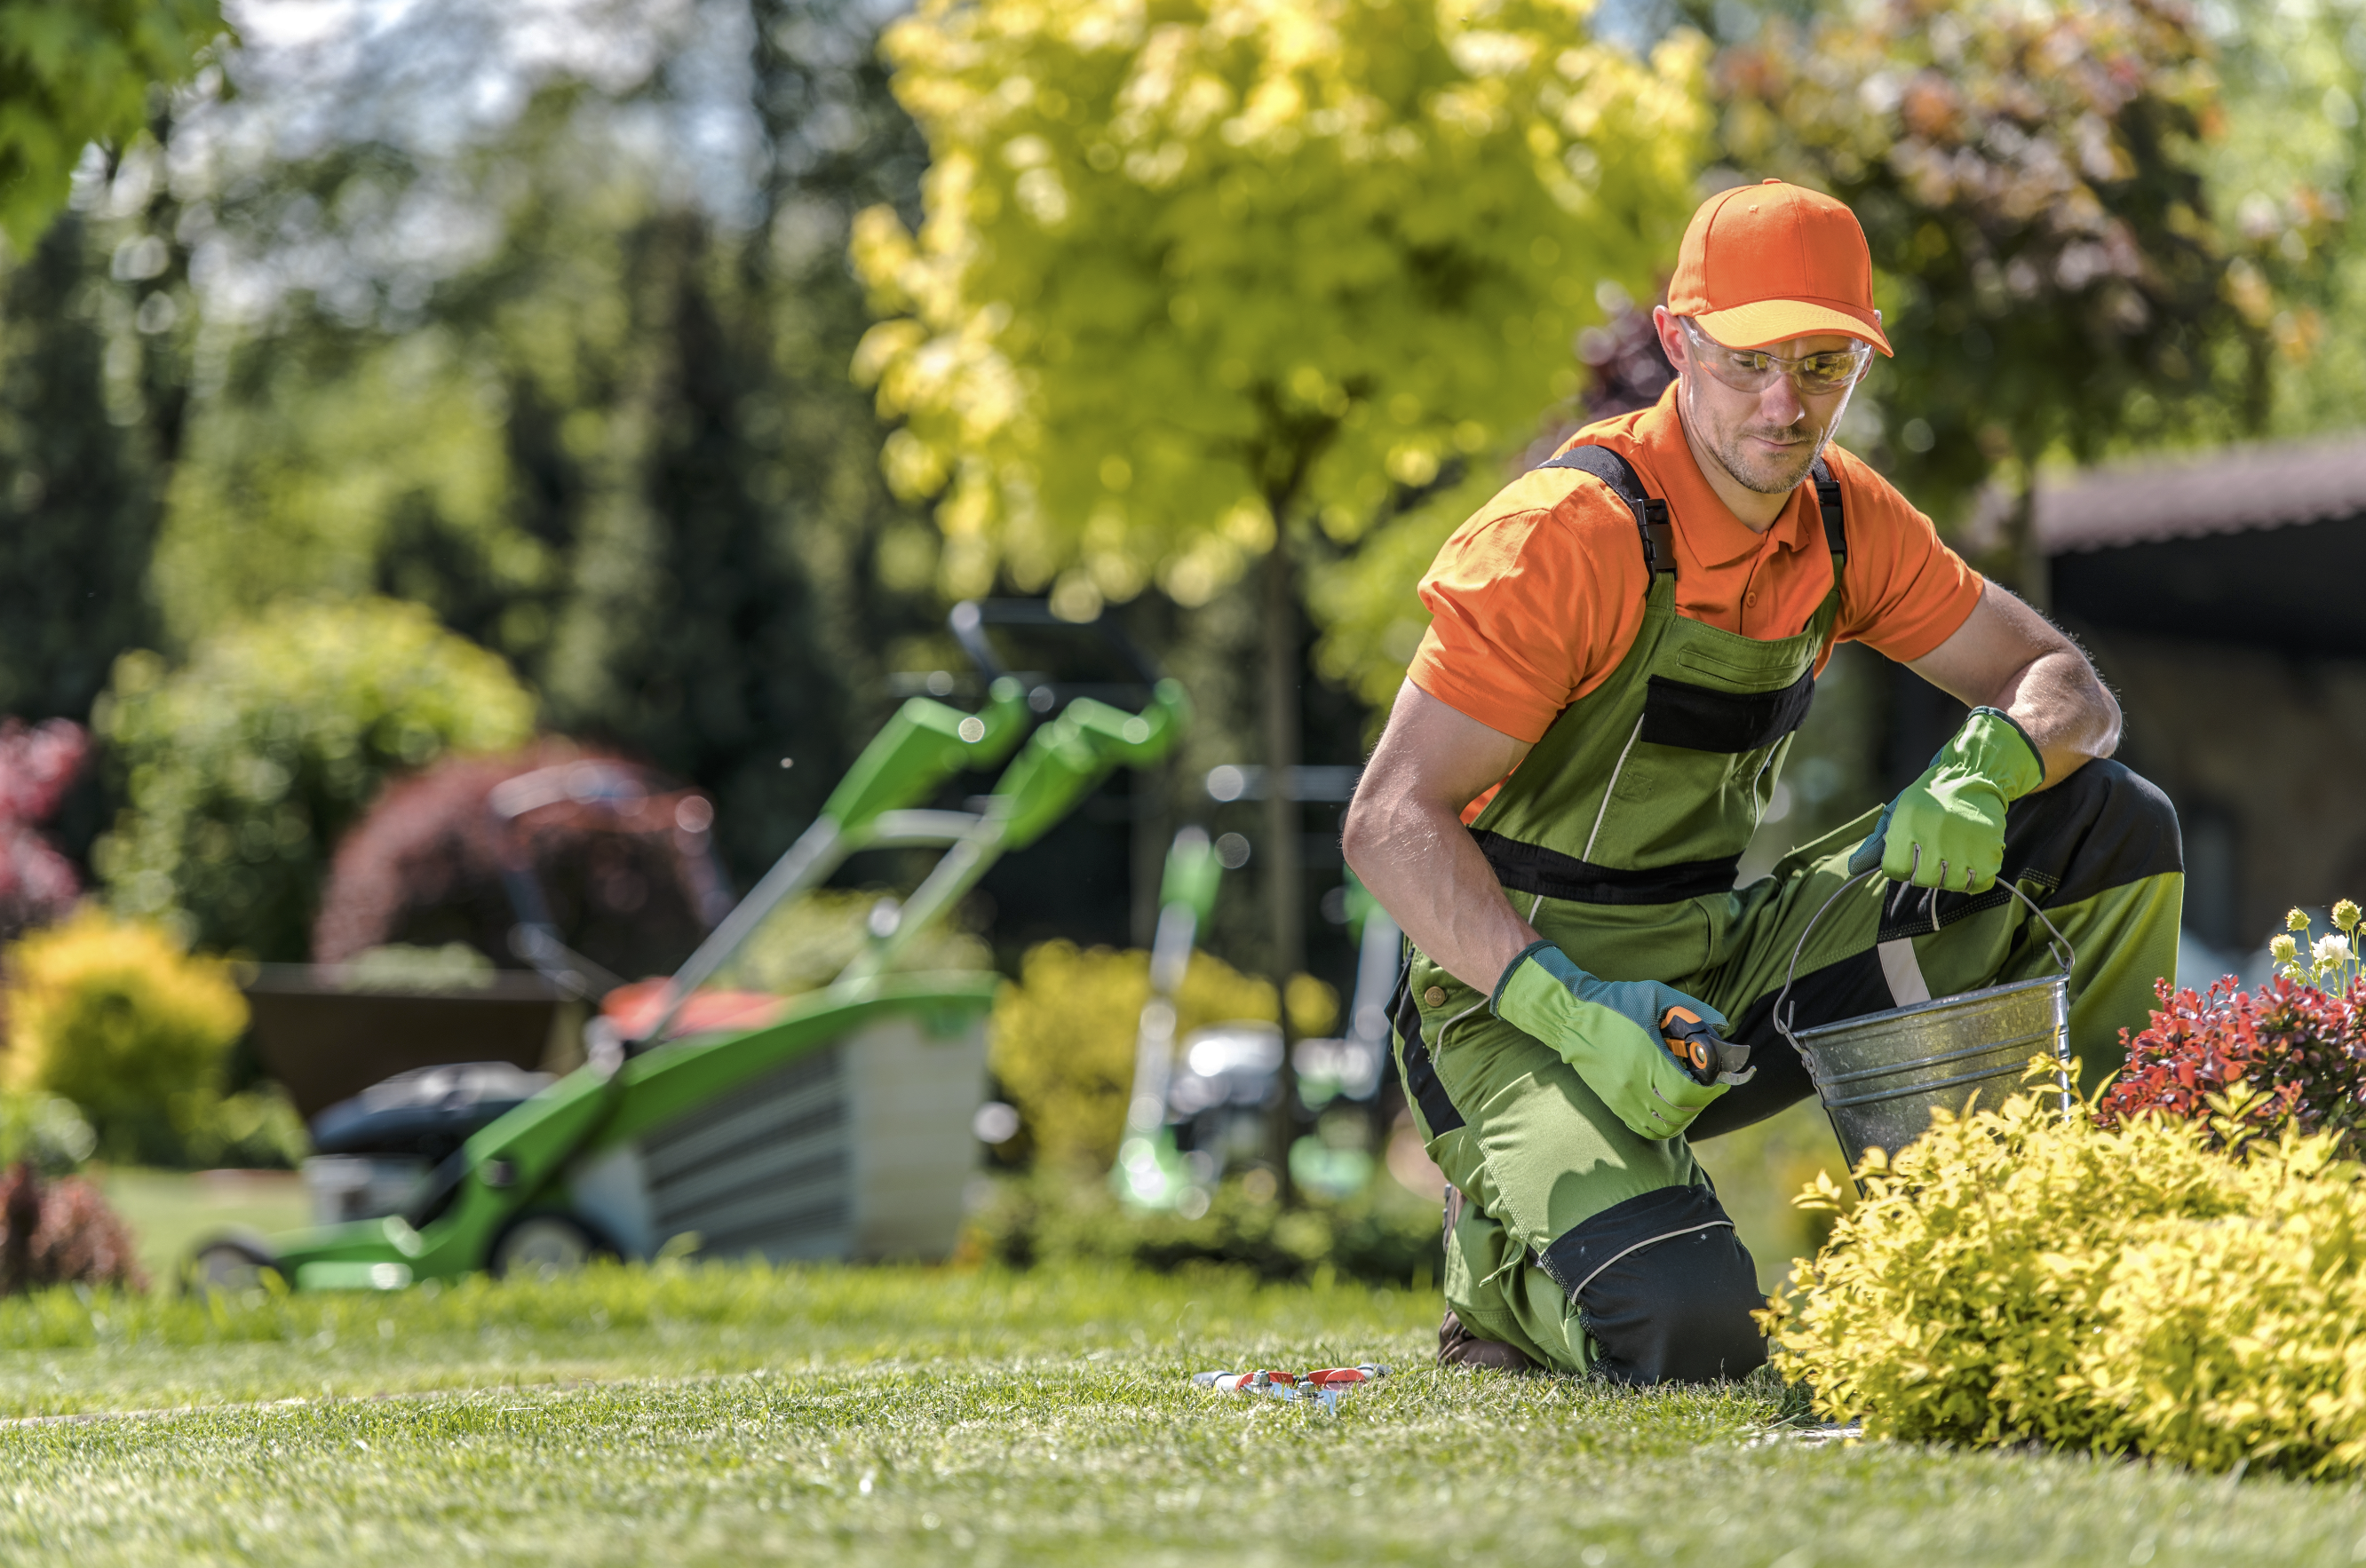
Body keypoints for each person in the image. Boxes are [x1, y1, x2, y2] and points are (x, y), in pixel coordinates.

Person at [1338, 179, 2182, 1382]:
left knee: (2106, 822)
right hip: (1508, 998)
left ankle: (2079, 1232)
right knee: (1694, 1333)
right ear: (1678, 342)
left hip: (1716, 966)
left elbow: (2065, 686)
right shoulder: (1564, 538)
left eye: (1824, 363)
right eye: (1749, 361)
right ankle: (1501, 1284)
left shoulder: (1844, 520)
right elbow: (1387, 822)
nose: (1788, 405)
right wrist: (1568, 1007)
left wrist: (1990, 763)